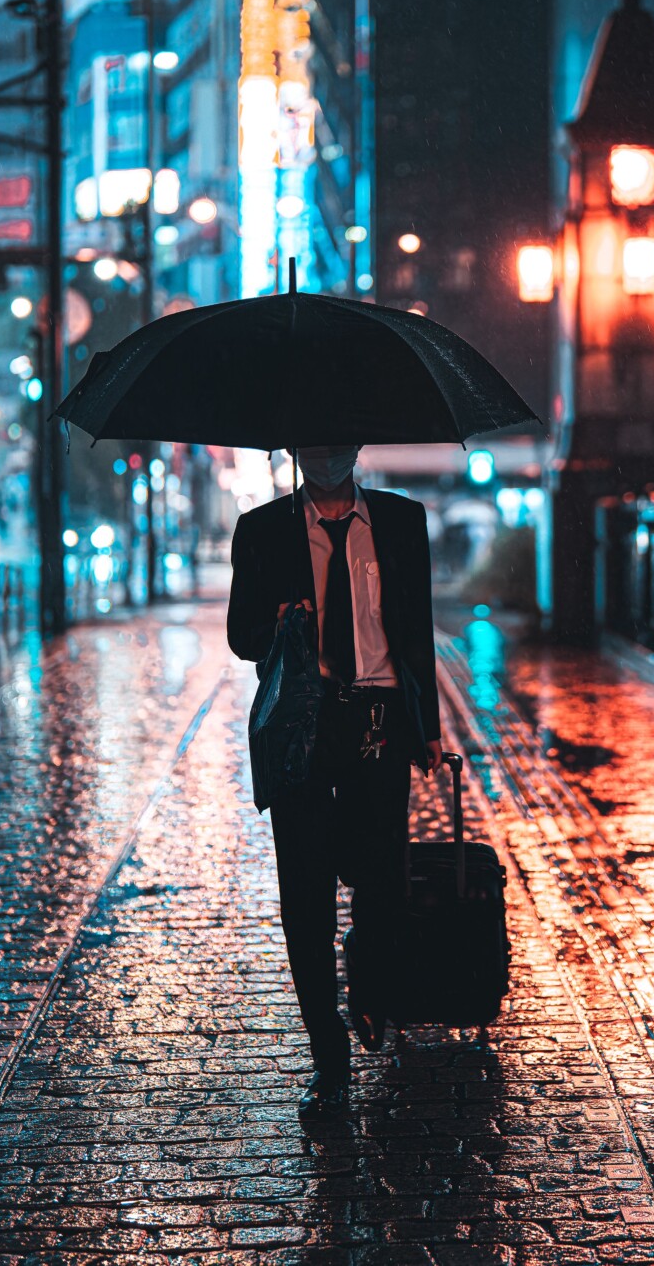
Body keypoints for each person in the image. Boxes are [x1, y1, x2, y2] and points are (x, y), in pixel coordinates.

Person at [227, 445, 442, 1117]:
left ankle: (370, 990)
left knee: (382, 879)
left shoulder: (401, 522)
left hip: (379, 719)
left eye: (339, 435)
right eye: (313, 438)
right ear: (294, 448)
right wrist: (280, 625)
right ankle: (329, 1056)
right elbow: (240, 635)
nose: (327, 451)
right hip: (303, 728)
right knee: (307, 898)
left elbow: (417, 634)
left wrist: (428, 726)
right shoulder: (261, 530)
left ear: (357, 445)